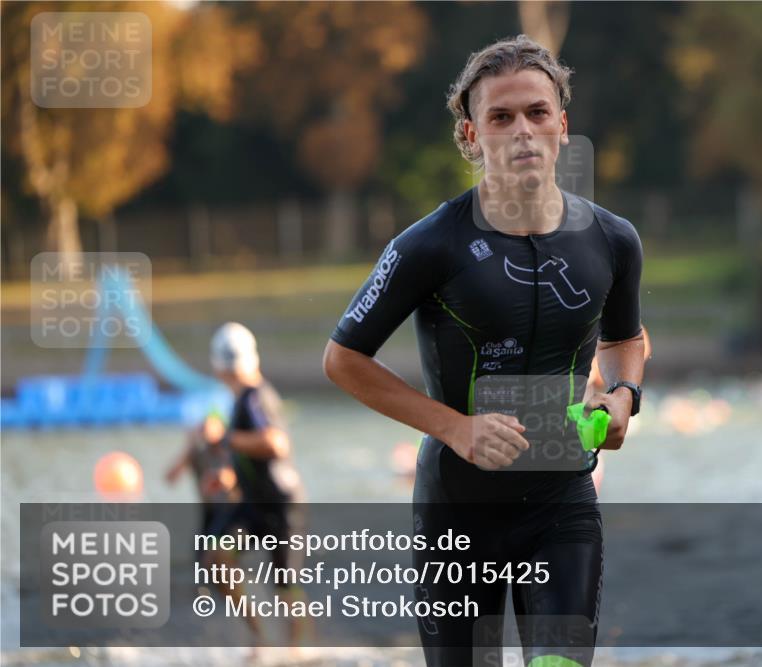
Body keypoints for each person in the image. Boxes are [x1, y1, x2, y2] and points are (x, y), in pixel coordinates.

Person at [324, 35, 645, 667]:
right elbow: (344, 359)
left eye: (537, 112)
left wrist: (624, 396)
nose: (522, 130)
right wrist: (456, 428)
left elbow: (625, 339)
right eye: (501, 117)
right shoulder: (429, 245)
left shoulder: (613, 240)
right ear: (472, 136)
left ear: (562, 126)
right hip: (457, 513)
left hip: (562, 506)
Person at [206, 322, 310, 653]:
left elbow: (275, 444)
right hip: (254, 503)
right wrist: (230, 476)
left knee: (286, 588)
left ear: (219, 366)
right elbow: (252, 453)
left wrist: (225, 438)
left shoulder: (254, 397)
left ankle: (298, 651)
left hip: (281, 505)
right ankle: (261, 638)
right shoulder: (242, 399)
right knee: (218, 556)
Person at [165, 409, 239, 545]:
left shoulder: (232, 450)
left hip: (231, 513)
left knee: (218, 551)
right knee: (202, 552)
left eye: (211, 426)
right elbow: (170, 477)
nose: (207, 431)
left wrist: (224, 478)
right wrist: (190, 446)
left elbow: (234, 480)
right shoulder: (198, 452)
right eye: (204, 426)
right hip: (209, 512)